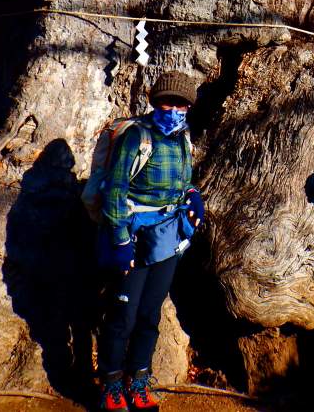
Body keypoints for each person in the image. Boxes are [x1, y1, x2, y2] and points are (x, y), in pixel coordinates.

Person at [95, 71, 205, 411]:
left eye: (181, 104)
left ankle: (139, 381)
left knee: (150, 314)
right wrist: (120, 241)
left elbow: (183, 182)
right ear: (154, 102)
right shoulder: (137, 137)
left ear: (188, 107)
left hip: (167, 238)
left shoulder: (182, 139)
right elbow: (115, 190)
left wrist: (193, 196)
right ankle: (111, 385)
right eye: (166, 102)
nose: (173, 109)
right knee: (122, 315)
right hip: (133, 236)